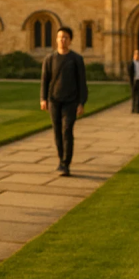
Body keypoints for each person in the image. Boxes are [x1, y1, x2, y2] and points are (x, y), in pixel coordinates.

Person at [39, 27, 87, 177]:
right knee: (57, 132)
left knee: (67, 131)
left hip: (71, 101)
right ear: (56, 39)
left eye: (65, 37)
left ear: (70, 40)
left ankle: (66, 163)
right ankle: (61, 159)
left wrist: (81, 102)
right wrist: (43, 99)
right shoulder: (49, 59)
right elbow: (45, 80)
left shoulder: (76, 59)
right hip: (54, 100)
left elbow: (82, 83)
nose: (62, 40)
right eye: (60, 37)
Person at [127, 49, 139, 114]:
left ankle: (138, 109)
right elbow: (130, 73)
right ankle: (133, 108)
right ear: (134, 55)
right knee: (134, 96)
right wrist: (131, 82)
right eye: (137, 54)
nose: (138, 56)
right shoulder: (131, 64)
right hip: (134, 81)